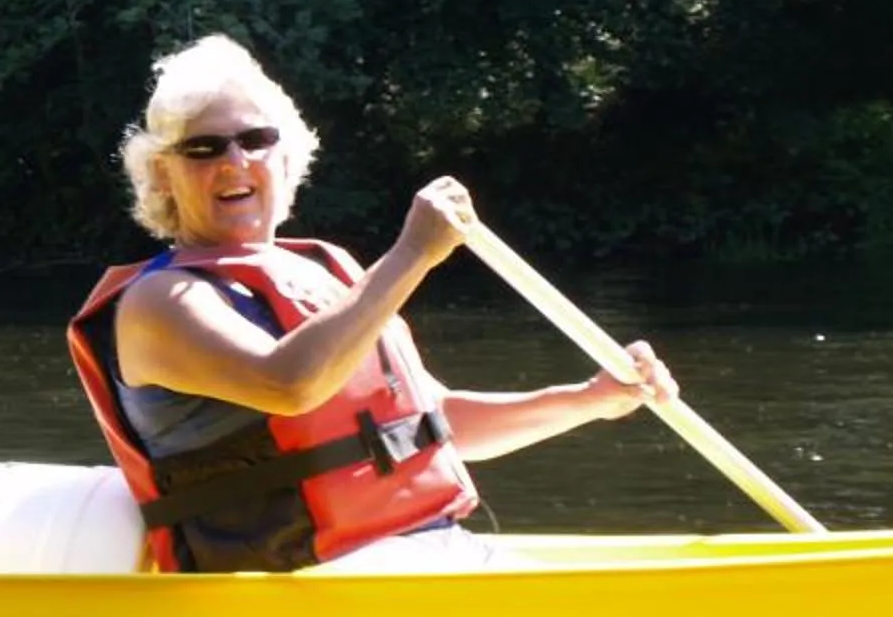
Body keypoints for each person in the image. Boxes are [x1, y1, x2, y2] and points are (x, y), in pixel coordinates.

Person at [67, 34, 679, 574]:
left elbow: (434, 422)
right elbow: (288, 385)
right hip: (300, 579)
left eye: (256, 139)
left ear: (286, 155)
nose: (235, 161)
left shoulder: (325, 270)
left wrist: (589, 400)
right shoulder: (160, 301)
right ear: (163, 174)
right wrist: (413, 252)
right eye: (204, 148)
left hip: (414, 554)